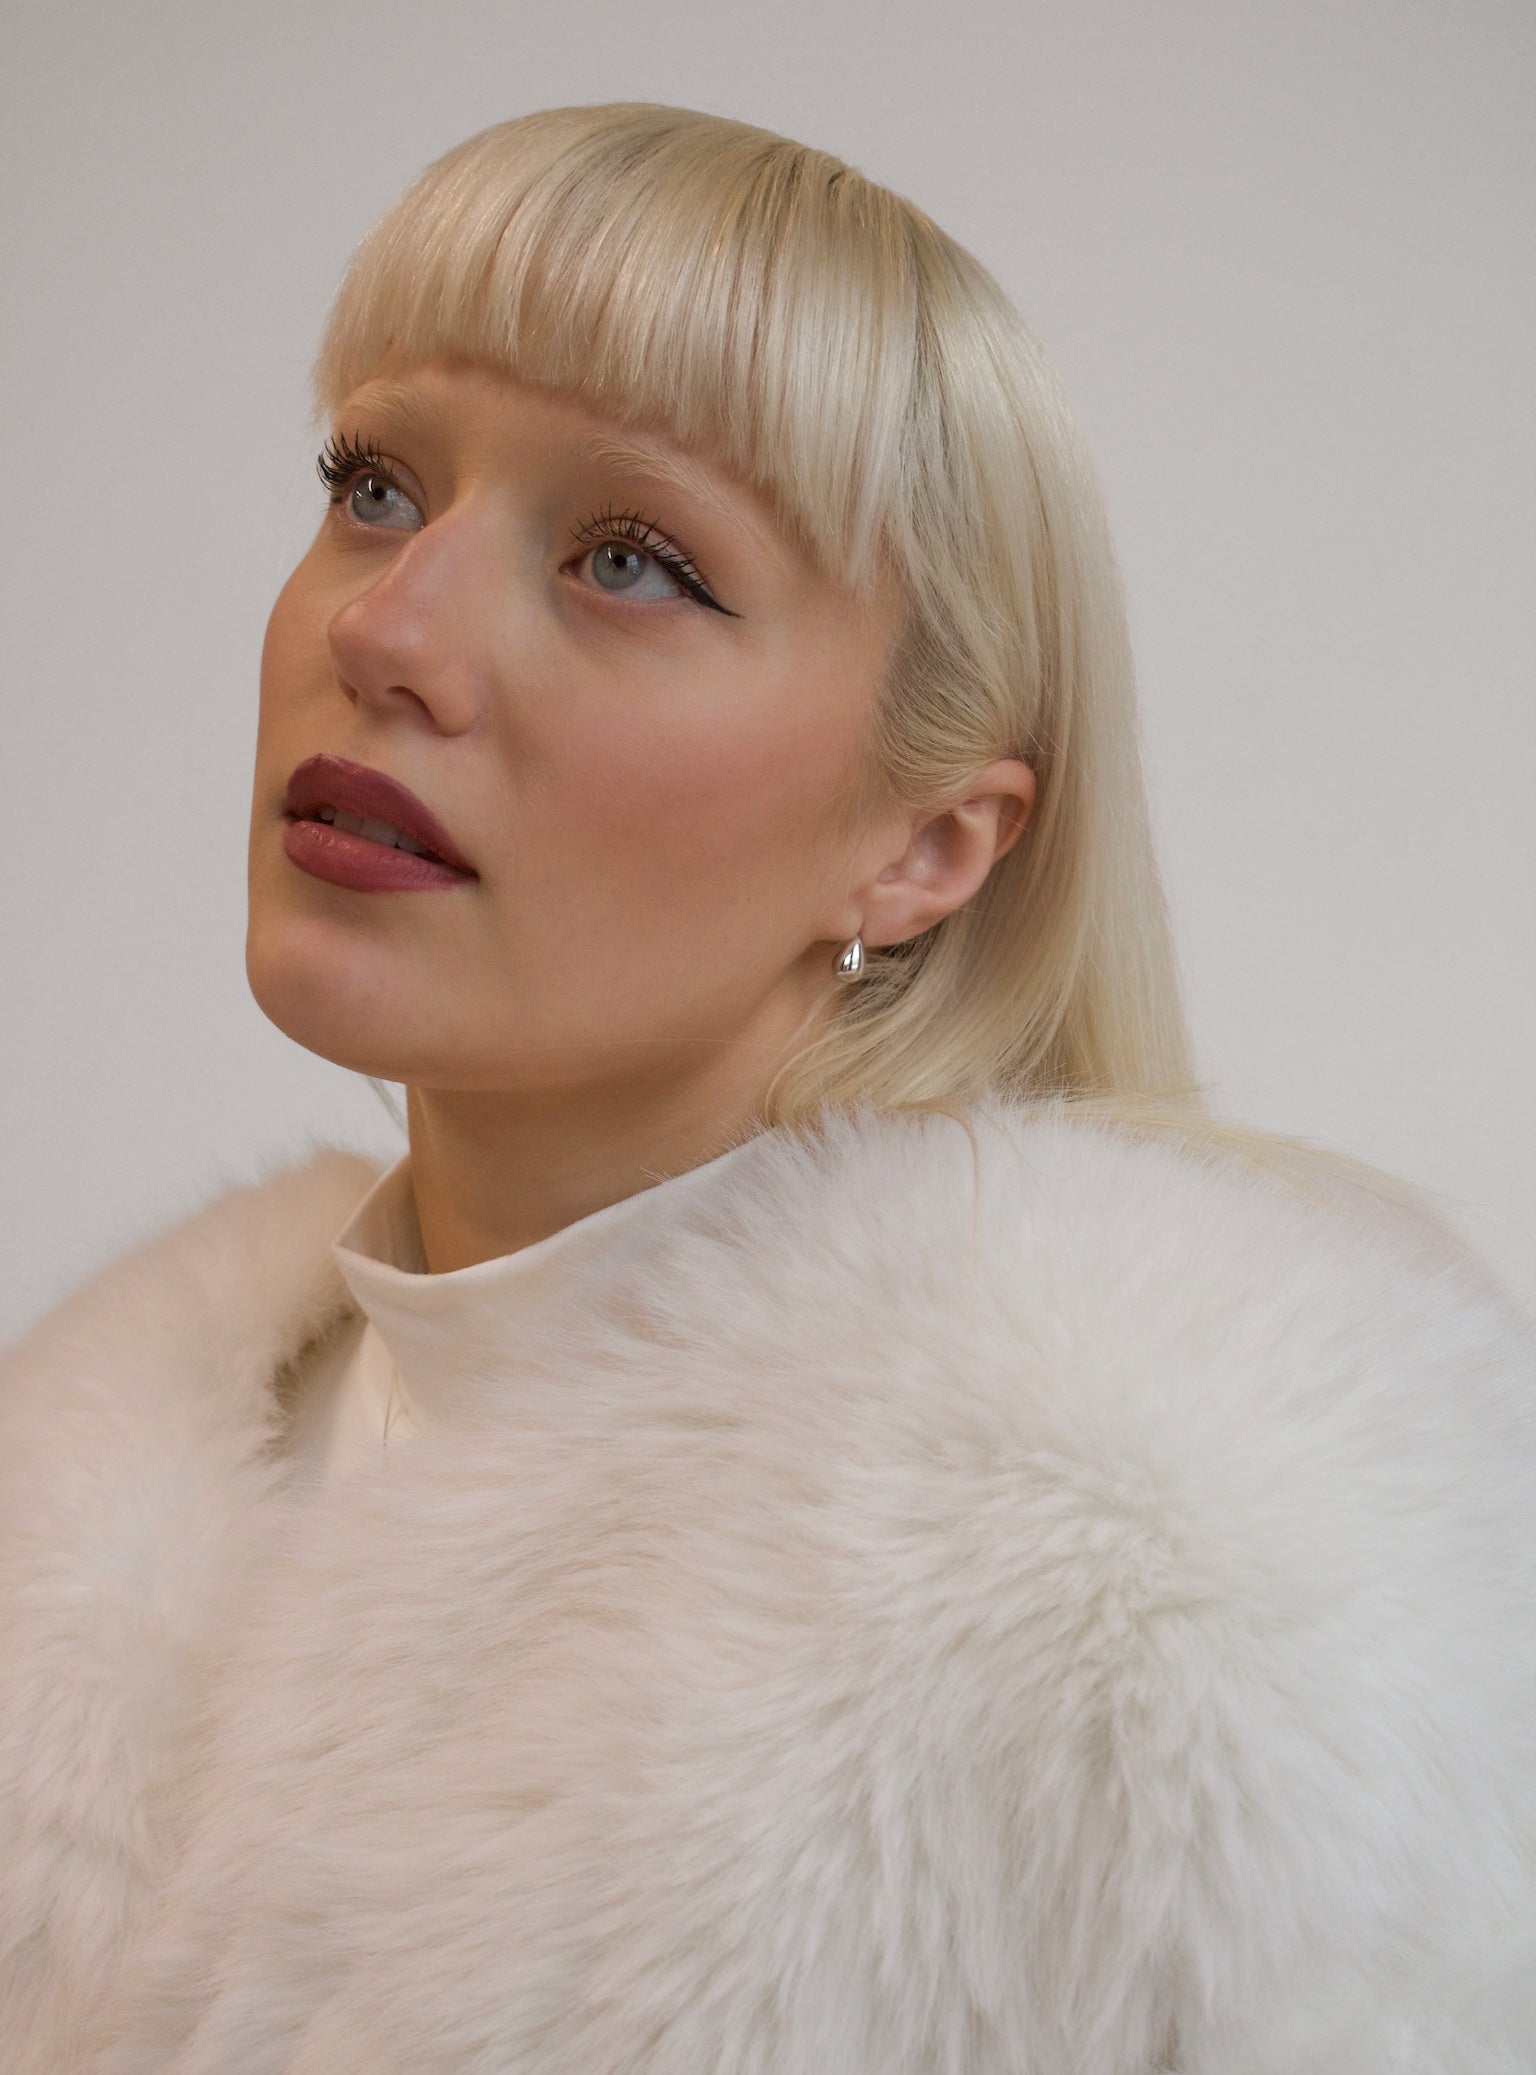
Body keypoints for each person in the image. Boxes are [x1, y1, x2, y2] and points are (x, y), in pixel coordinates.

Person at [2, 101, 1532, 2075]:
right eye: (376, 485)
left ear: (926, 846)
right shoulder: (94, 1488)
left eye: (631, 560)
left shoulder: (1191, 1619)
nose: (386, 628)